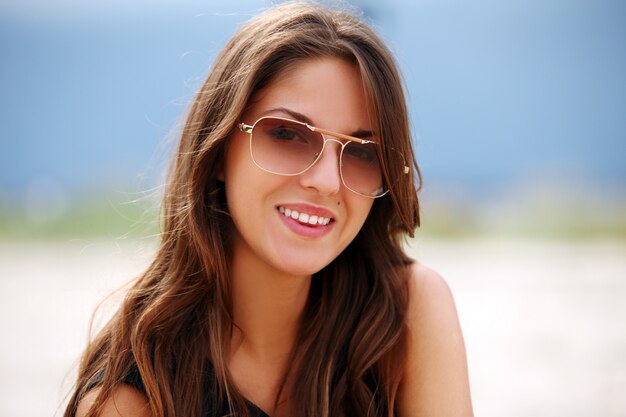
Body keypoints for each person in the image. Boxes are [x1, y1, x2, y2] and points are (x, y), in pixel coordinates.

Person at [64, 2, 473, 416]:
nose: (327, 180)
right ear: (220, 148)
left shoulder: (408, 315)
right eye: (286, 134)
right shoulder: (134, 400)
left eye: (363, 153)